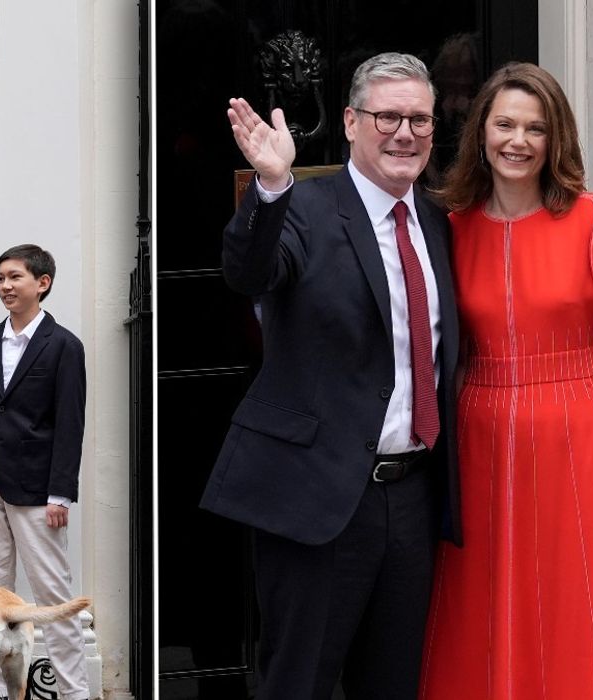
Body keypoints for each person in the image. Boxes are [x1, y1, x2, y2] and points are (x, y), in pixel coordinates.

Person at [418, 62, 593, 699]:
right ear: (480, 134)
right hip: (478, 431)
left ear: (556, 140)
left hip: (572, 431)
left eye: (536, 128)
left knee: (574, 596)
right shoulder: (448, 224)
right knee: (479, 597)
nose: (518, 141)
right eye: (505, 125)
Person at [198, 52, 461, 699]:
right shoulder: (304, 206)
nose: (404, 133)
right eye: (387, 117)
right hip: (315, 498)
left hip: (412, 497)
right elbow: (248, 273)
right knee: (299, 684)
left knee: (393, 684)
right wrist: (269, 186)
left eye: (419, 120)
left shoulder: (436, 221)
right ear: (349, 122)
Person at [0, 244, 90, 700]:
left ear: (42, 283)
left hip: (37, 487)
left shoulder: (65, 345)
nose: (5, 286)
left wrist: (61, 494)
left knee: (53, 595)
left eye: (15, 277)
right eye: (1, 278)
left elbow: (70, 423)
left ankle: (73, 694)